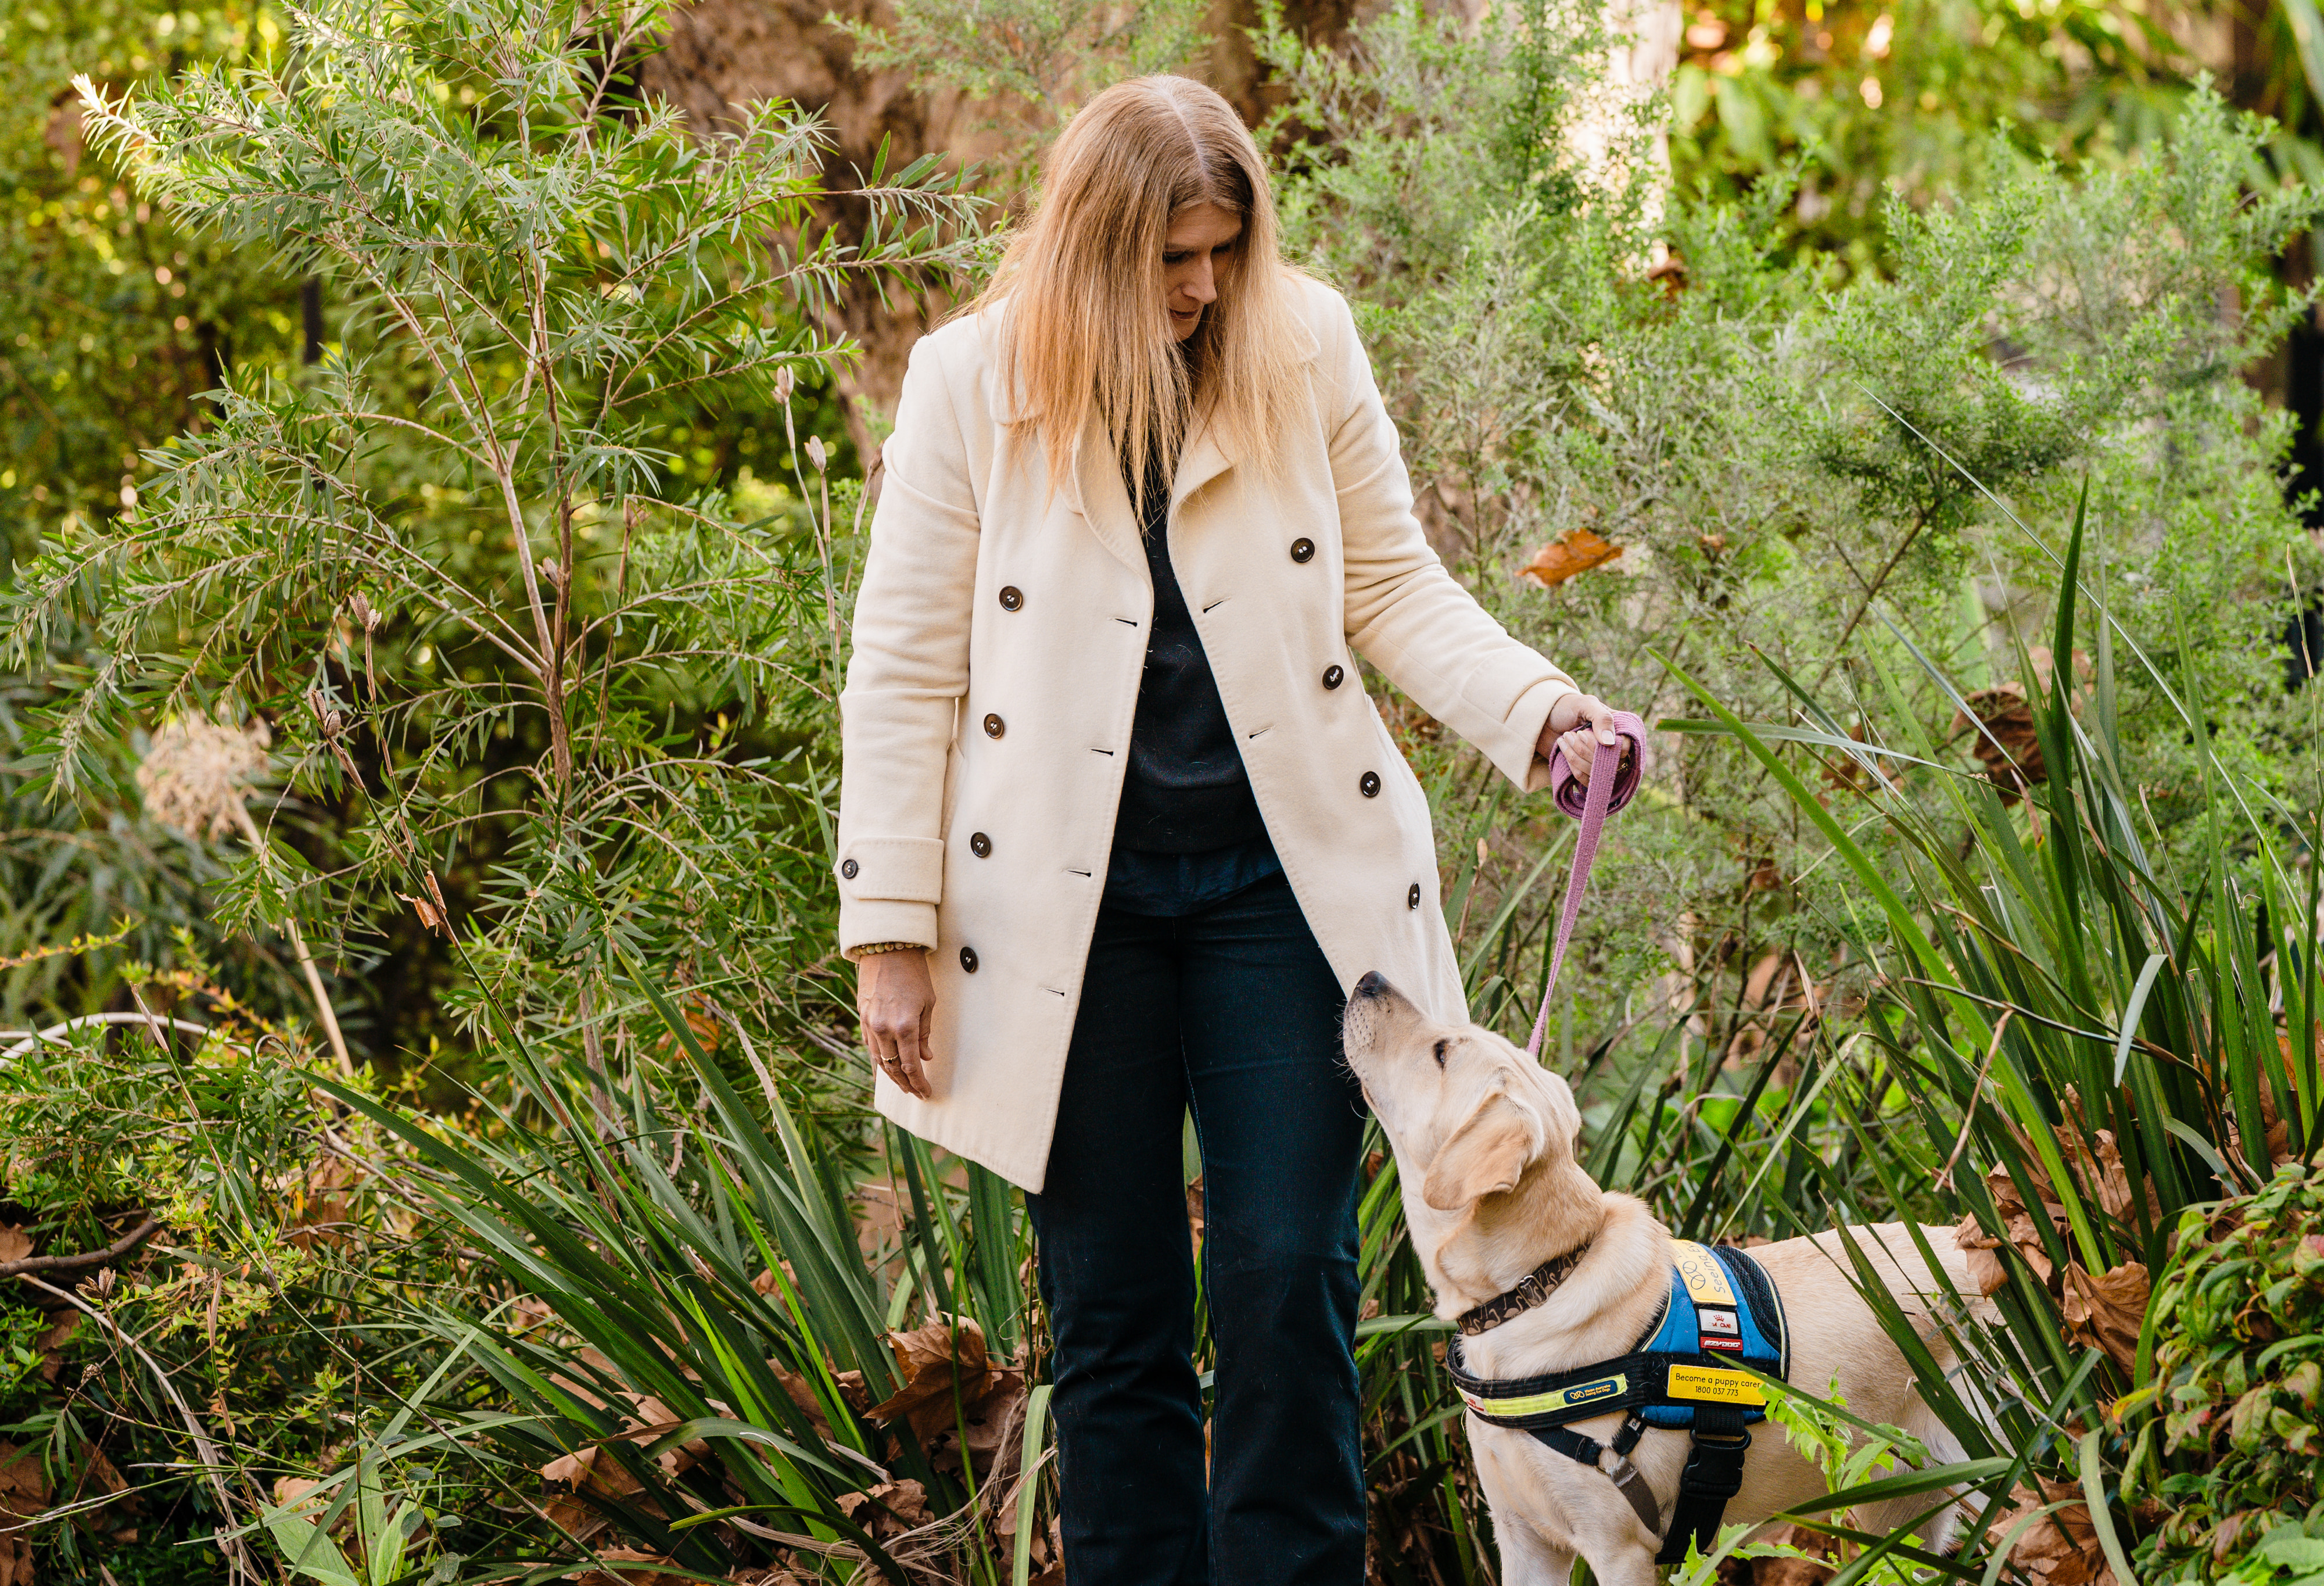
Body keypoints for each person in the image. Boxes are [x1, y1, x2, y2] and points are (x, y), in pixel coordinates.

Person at [834, 73, 1629, 1586]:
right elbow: (907, 665)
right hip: (1070, 916)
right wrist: (891, 933)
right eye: (1172, 259)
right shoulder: (966, 386)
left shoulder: (1301, 339)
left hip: (1286, 888)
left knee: (1286, 1271)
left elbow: (1392, 581)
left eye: (1224, 252)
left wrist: (1541, 714)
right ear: (1093, 247)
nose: (1203, 288)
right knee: (1115, 1309)